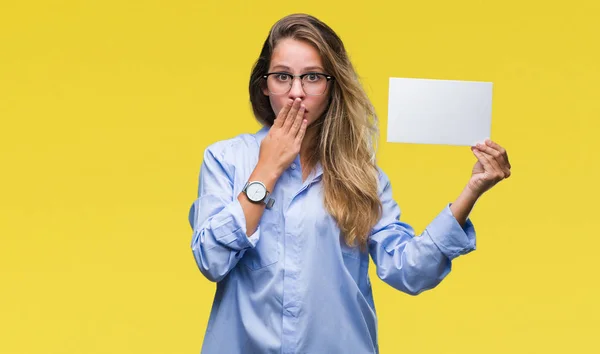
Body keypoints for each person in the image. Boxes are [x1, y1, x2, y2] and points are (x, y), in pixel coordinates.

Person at [188, 13, 511, 354]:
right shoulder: (224, 159)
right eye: (282, 77)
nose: (296, 92)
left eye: (312, 77)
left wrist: (472, 191)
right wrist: (266, 169)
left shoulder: (361, 175)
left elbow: (409, 271)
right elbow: (211, 260)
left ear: (331, 85)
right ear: (265, 84)